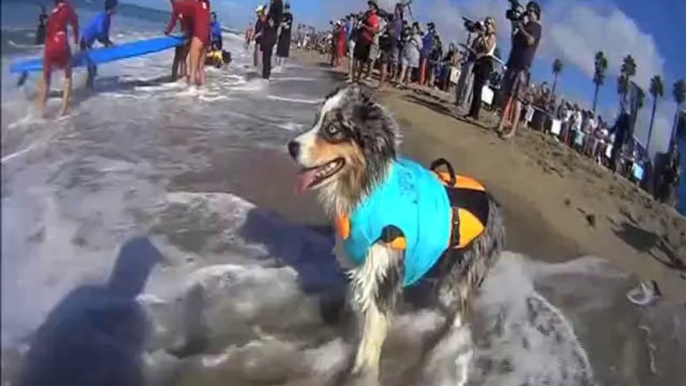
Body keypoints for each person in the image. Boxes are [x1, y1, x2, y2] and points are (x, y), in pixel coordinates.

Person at [497, 1, 542, 139]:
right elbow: (513, 41)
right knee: (506, 95)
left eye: (531, 11)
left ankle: (512, 130)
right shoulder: (526, 25)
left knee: (517, 99)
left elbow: (530, 41)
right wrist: (514, 25)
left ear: (536, 13)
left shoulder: (536, 27)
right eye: (528, 10)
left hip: (523, 66)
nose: (528, 12)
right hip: (513, 62)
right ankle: (500, 123)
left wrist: (521, 26)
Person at [38, 0, 79, 116]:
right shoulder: (67, 8)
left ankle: (40, 110)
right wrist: (76, 42)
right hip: (61, 44)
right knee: (67, 75)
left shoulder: (53, 12)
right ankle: (63, 110)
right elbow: (75, 24)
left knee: (46, 78)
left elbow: (47, 32)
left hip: (49, 46)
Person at [80, 0, 117, 90]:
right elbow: (100, 35)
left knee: (93, 67)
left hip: (87, 42)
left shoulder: (107, 18)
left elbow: (105, 36)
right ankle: (88, 87)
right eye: (115, 7)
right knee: (92, 66)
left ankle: (88, 86)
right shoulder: (103, 17)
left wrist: (109, 44)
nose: (116, 10)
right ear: (111, 8)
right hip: (83, 41)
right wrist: (108, 44)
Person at [465, 17, 497, 121]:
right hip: (479, 61)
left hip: (485, 62)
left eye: (489, 24)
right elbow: (476, 47)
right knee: (475, 88)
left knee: (478, 89)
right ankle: (471, 112)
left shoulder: (492, 36)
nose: (487, 25)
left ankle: (475, 114)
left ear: (492, 25)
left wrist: (483, 37)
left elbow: (488, 48)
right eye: (486, 23)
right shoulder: (485, 35)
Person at [164, 0, 195, 82]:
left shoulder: (186, 6)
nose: (172, 3)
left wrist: (189, 37)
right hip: (182, 36)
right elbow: (173, 21)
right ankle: (174, 78)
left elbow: (193, 22)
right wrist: (167, 31)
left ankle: (183, 78)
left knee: (183, 58)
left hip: (190, 35)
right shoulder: (176, 9)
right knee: (177, 58)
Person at [352, 1, 380, 83]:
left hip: (366, 41)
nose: (370, 7)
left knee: (361, 61)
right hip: (360, 38)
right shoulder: (367, 16)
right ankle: (353, 77)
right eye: (369, 5)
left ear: (375, 8)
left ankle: (357, 78)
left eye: (371, 5)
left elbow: (374, 30)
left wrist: (365, 26)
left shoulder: (375, 18)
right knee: (355, 59)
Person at [261, 0, 283, 80]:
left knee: (266, 55)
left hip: (271, 33)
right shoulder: (273, 3)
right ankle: (265, 75)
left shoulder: (278, 2)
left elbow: (279, 18)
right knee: (266, 55)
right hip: (268, 32)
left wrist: (274, 24)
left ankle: (266, 76)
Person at [275, 2, 293, 66]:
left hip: (286, 36)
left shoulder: (290, 16)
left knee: (284, 53)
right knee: (278, 52)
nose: (286, 9)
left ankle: (281, 66)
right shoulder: (282, 15)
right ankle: (278, 65)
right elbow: (279, 23)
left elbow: (287, 26)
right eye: (285, 7)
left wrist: (282, 24)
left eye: (287, 7)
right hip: (281, 35)